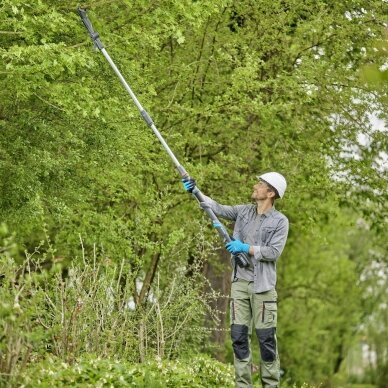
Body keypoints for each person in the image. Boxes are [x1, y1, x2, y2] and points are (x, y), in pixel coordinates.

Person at [183, 172, 289, 388]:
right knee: (239, 337)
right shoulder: (243, 212)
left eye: (260, 184)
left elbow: (273, 252)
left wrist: (245, 248)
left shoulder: (280, 221)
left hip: (263, 288)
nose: (255, 185)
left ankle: (271, 385)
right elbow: (217, 208)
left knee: (266, 340)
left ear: (270, 193)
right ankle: (243, 385)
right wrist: (196, 191)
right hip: (240, 283)